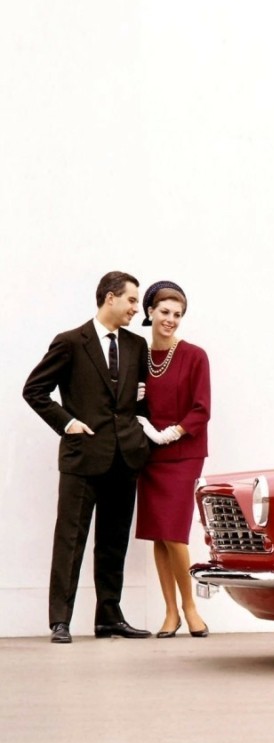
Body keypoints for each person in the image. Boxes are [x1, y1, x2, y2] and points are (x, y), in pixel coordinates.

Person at [23, 271, 154, 643]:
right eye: (132, 300)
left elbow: (140, 400)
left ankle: (108, 617)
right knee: (70, 540)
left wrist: (139, 437)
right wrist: (67, 423)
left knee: (114, 541)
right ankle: (60, 621)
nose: (136, 308)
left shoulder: (136, 345)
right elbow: (34, 390)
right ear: (110, 297)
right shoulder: (70, 342)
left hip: (125, 457)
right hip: (82, 458)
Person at [134, 280, 212, 638]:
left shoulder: (195, 355)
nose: (171, 319)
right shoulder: (139, 356)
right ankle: (170, 613)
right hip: (150, 454)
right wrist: (140, 418)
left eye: (177, 314)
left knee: (175, 533)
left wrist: (173, 432)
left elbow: (202, 409)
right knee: (159, 535)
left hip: (184, 453)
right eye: (165, 312)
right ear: (150, 311)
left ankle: (190, 608)